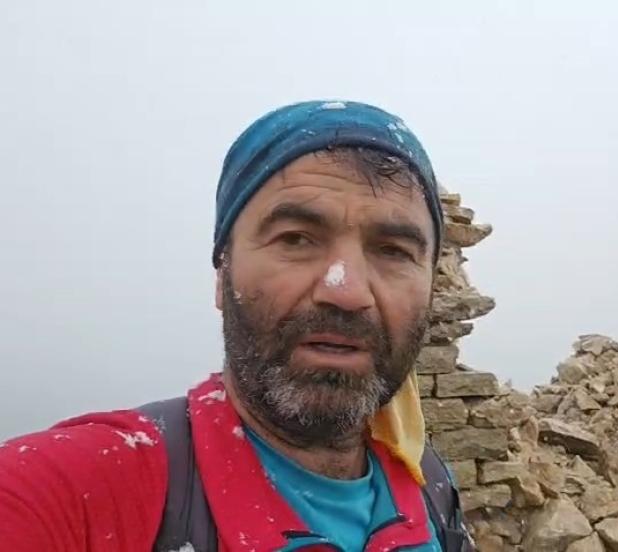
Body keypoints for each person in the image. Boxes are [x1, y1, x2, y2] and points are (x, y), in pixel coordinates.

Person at [0, 101, 472, 551]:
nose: (345, 291)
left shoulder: (429, 485)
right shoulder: (75, 490)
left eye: (393, 251)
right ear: (222, 275)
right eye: (295, 239)